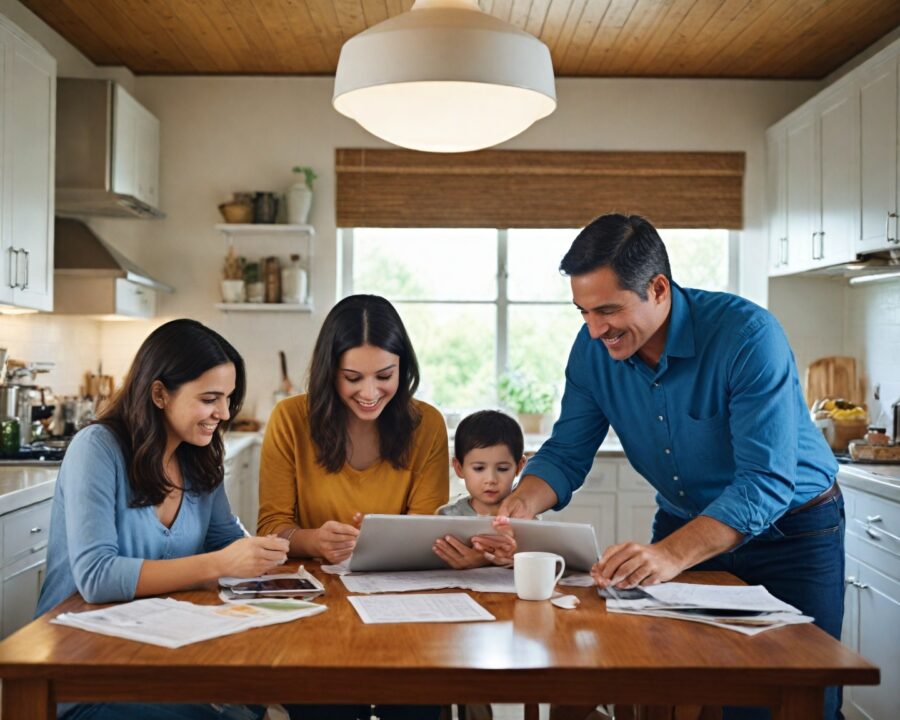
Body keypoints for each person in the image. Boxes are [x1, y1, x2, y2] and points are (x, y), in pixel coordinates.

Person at [491, 214, 844, 720]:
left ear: (658, 288)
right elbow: (567, 452)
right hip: (686, 520)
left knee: (785, 693)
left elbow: (764, 482)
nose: (595, 330)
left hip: (794, 531)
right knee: (672, 682)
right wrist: (523, 503)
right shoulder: (593, 351)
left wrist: (671, 556)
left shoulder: (747, 336)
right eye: (583, 312)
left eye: (608, 310)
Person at [37, 319, 289, 720]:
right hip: (85, 669)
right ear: (159, 394)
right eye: (210, 398)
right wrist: (221, 565)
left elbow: (227, 542)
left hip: (159, 651)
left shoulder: (198, 456)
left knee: (254, 700)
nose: (223, 413)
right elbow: (98, 576)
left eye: (227, 398)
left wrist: (269, 556)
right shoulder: (97, 449)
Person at [257, 294, 448, 720]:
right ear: (330, 373)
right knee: (329, 706)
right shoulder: (290, 420)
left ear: (404, 368)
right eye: (352, 377)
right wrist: (314, 541)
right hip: (314, 606)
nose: (369, 392)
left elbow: (426, 529)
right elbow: (272, 528)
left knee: (415, 704)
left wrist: (384, 541)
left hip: (403, 606)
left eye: (385, 375)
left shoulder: (427, 425)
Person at [433, 410, 525, 570]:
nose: (491, 479)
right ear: (459, 468)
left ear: (519, 467)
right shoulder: (446, 516)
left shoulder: (526, 518)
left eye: (502, 468)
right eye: (479, 468)